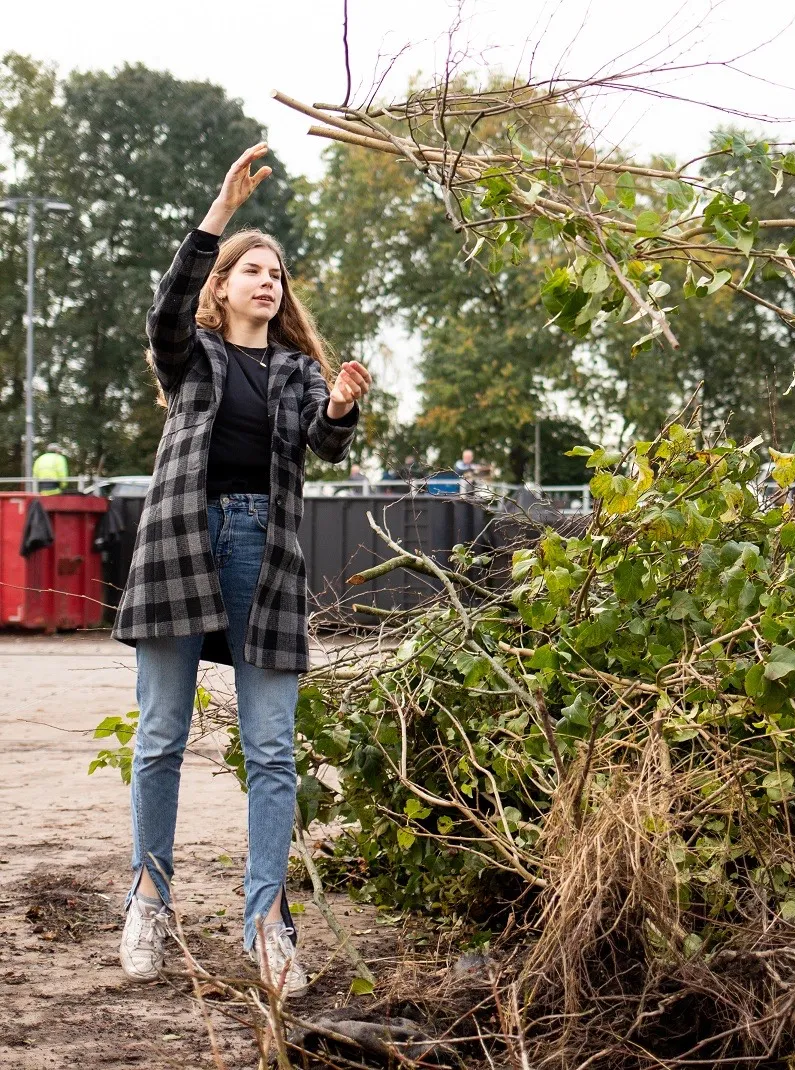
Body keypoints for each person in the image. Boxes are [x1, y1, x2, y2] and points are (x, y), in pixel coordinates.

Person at [111, 143, 372, 998]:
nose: (269, 280)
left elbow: (321, 445)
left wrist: (339, 407)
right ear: (221, 286)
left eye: (278, 272)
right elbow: (163, 314)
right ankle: (149, 899)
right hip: (180, 546)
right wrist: (219, 212)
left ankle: (267, 923)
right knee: (161, 740)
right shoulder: (192, 357)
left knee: (271, 750)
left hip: (266, 554)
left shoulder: (296, 370)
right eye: (251, 270)